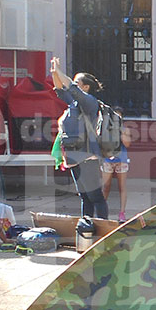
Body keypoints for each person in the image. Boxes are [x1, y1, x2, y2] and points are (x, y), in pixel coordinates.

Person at [50, 57, 108, 218]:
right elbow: (60, 90)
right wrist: (55, 73)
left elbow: (70, 87)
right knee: (85, 197)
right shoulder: (74, 103)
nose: (74, 85)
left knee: (95, 197)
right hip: (73, 156)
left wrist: (60, 72)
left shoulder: (89, 102)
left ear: (86, 87)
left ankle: (103, 226)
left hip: (86, 156)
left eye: (78, 82)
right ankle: (86, 226)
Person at [101, 121, 133, 223]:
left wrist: (121, 133)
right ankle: (102, 211)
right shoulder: (105, 129)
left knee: (122, 186)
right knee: (106, 186)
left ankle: (122, 213)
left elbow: (127, 144)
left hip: (121, 160)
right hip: (107, 160)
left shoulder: (125, 130)